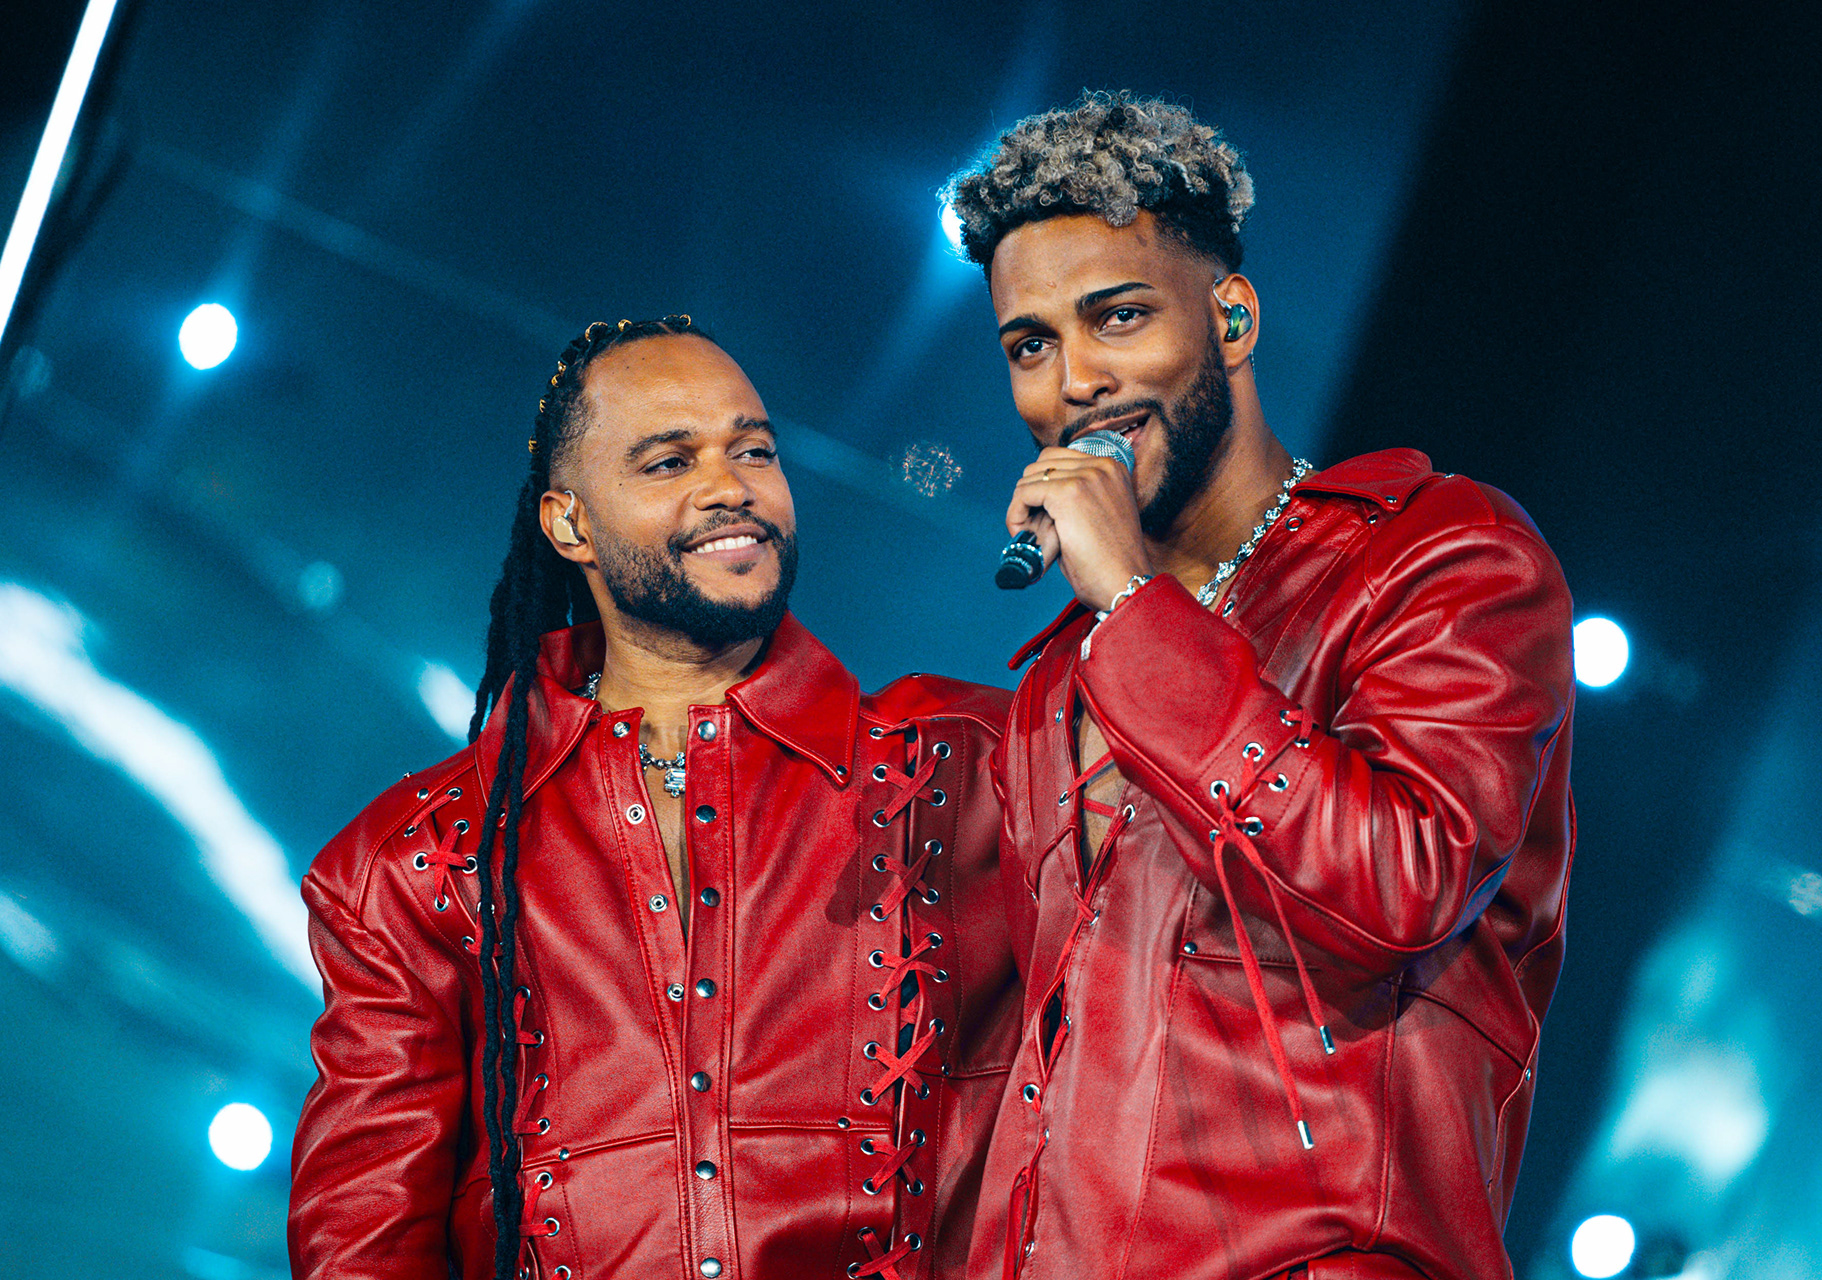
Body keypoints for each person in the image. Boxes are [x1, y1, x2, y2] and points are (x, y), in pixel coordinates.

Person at [941, 93, 1576, 1280]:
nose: (1074, 379)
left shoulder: (1444, 557)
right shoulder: (1060, 682)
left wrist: (1137, 604)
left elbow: (1401, 881)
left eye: (1117, 317)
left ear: (1230, 316)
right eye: (1031, 345)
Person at [288, 317, 1019, 1280]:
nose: (731, 487)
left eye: (752, 449)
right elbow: (362, 1242)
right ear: (570, 525)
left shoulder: (973, 765)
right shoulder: (418, 861)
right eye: (670, 461)